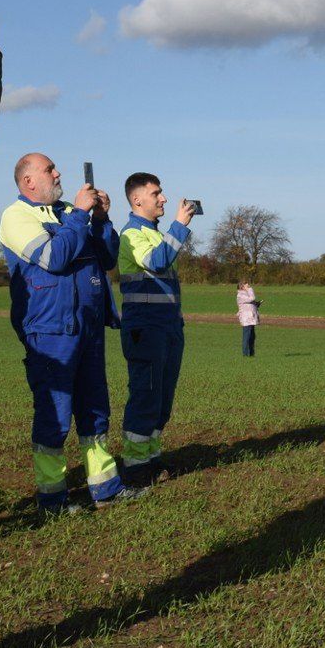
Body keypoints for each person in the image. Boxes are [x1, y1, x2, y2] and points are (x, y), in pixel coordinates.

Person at [0, 154, 129, 515]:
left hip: (87, 329)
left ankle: (105, 487)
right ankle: (53, 500)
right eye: (49, 169)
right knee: (54, 415)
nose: (58, 174)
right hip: (49, 332)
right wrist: (80, 217)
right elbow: (53, 257)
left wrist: (101, 218)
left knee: (94, 410)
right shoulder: (17, 216)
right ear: (28, 182)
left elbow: (106, 258)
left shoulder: (73, 212)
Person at [118, 173, 198, 489]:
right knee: (145, 398)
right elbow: (158, 261)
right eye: (156, 193)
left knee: (161, 400)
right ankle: (135, 470)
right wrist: (180, 224)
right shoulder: (132, 234)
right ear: (138, 200)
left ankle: (151, 461)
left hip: (167, 329)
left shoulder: (154, 233)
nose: (163, 198)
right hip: (146, 331)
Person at [237, 280, 260, 357]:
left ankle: (251, 354)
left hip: (251, 318)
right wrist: (250, 289)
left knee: (252, 336)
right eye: (247, 285)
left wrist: (257, 304)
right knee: (246, 336)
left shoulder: (247, 295)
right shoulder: (240, 295)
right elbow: (252, 298)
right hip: (246, 319)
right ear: (242, 287)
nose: (249, 286)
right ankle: (245, 354)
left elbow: (251, 303)